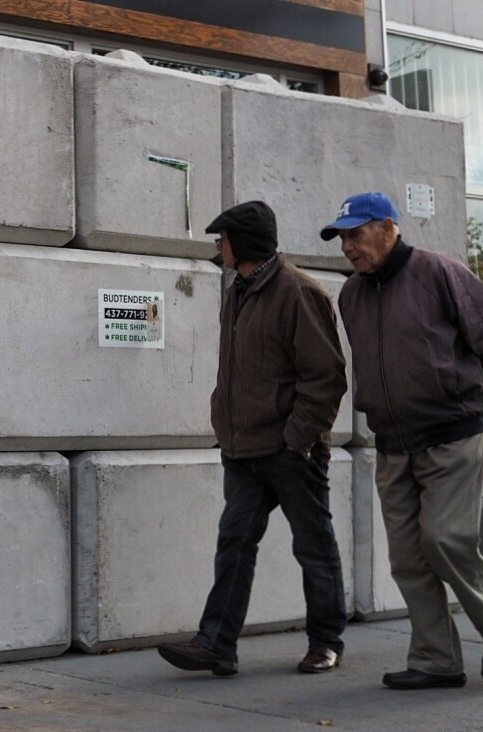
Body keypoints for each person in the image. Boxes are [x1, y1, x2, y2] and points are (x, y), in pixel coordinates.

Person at [320, 191, 483, 690]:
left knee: (445, 539)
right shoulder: (352, 295)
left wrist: (472, 403)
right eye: (342, 237)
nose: (347, 246)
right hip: (392, 443)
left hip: (451, 436)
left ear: (389, 228)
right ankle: (436, 659)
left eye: (355, 234)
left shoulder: (439, 272)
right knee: (408, 558)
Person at [158, 200, 348, 677]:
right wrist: (224, 424)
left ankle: (326, 642)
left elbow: (325, 378)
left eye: (221, 239)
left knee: (313, 546)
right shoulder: (237, 292)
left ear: (243, 243)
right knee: (234, 543)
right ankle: (217, 645)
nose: (217, 246)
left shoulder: (299, 293)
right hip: (242, 450)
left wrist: (297, 438)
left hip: (292, 451)